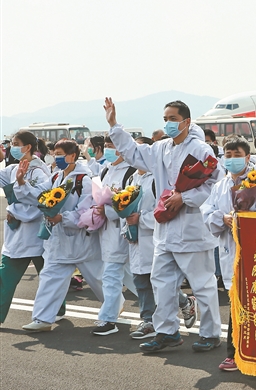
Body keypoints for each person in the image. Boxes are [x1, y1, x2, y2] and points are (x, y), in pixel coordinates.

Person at [103, 97, 224, 352]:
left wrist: (185, 198)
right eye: (165, 119)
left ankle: (211, 333)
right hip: (165, 229)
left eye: (173, 119)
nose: (169, 123)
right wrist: (114, 125)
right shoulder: (160, 148)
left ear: (186, 122)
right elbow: (134, 153)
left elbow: (215, 185)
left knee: (202, 284)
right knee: (162, 282)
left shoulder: (201, 149)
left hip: (192, 227)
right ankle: (167, 331)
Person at [202, 136, 256, 371]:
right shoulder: (220, 186)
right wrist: (223, 218)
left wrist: (250, 219)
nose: (232, 160)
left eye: (237, 155)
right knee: (237, 301)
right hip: (231, 250)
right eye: (228, 156)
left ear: (248, 157)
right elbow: (207, 211)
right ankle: (235, 353)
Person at [23, 139, 105, 331]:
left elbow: (85, 210)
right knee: (50, 278)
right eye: (55, 153)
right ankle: (43, 319)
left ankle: (113, 308)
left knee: (99, 279)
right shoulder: (55, 177)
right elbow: (39, 194)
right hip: (58, 241)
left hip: (81, 241)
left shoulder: (84, 180)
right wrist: (21, 184)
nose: (56, 157)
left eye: (60, 154)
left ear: (72, 155)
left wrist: (63, 218)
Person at [125, 137, 198, 340]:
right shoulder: (132, 179)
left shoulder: (156, 179)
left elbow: (164, 208)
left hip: (153, 236)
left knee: (159, 282)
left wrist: (141, 219)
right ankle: (148, 320)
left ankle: (183, 303)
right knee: (140, 280)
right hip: (136, 238)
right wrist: (128, 225)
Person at [0, 132, 52, 325]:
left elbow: (42, 203)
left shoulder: (40, 172)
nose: (12, 147)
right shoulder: (13, 169)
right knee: (4, 277)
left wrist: (14, 211)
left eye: (16, 144)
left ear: (28, 147)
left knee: (49, 278)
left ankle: (57, 309)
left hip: (36, 235)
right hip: (16, 236)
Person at [91, 137, 134, 335]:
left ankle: (108, 319)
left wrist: (107, 210)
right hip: (107, 231)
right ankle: (182, 302)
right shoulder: (106, 169)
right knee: (134, 278)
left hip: (124, 230)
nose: (108, 150)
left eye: (112, 147)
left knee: (112, 275)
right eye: (106, 146)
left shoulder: (131, 171)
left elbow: (131, 203)